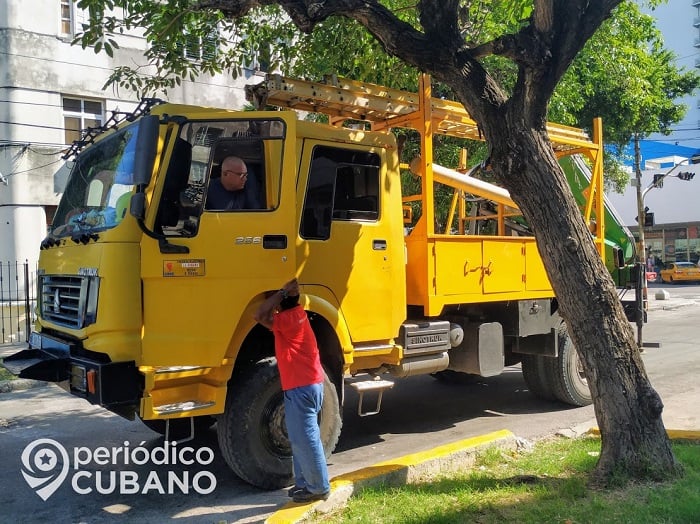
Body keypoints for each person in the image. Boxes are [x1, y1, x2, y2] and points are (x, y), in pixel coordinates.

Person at [254, 278, 331, 503]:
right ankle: (305, 483)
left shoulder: (288, 319)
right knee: (300, 439)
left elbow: (259, 315)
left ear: (281, 303)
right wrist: (283, 294)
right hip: (306, 385)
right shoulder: (294, 317)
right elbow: (266, 318)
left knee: (306, 440)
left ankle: (319, 487)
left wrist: (280, 292)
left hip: (302, 387)